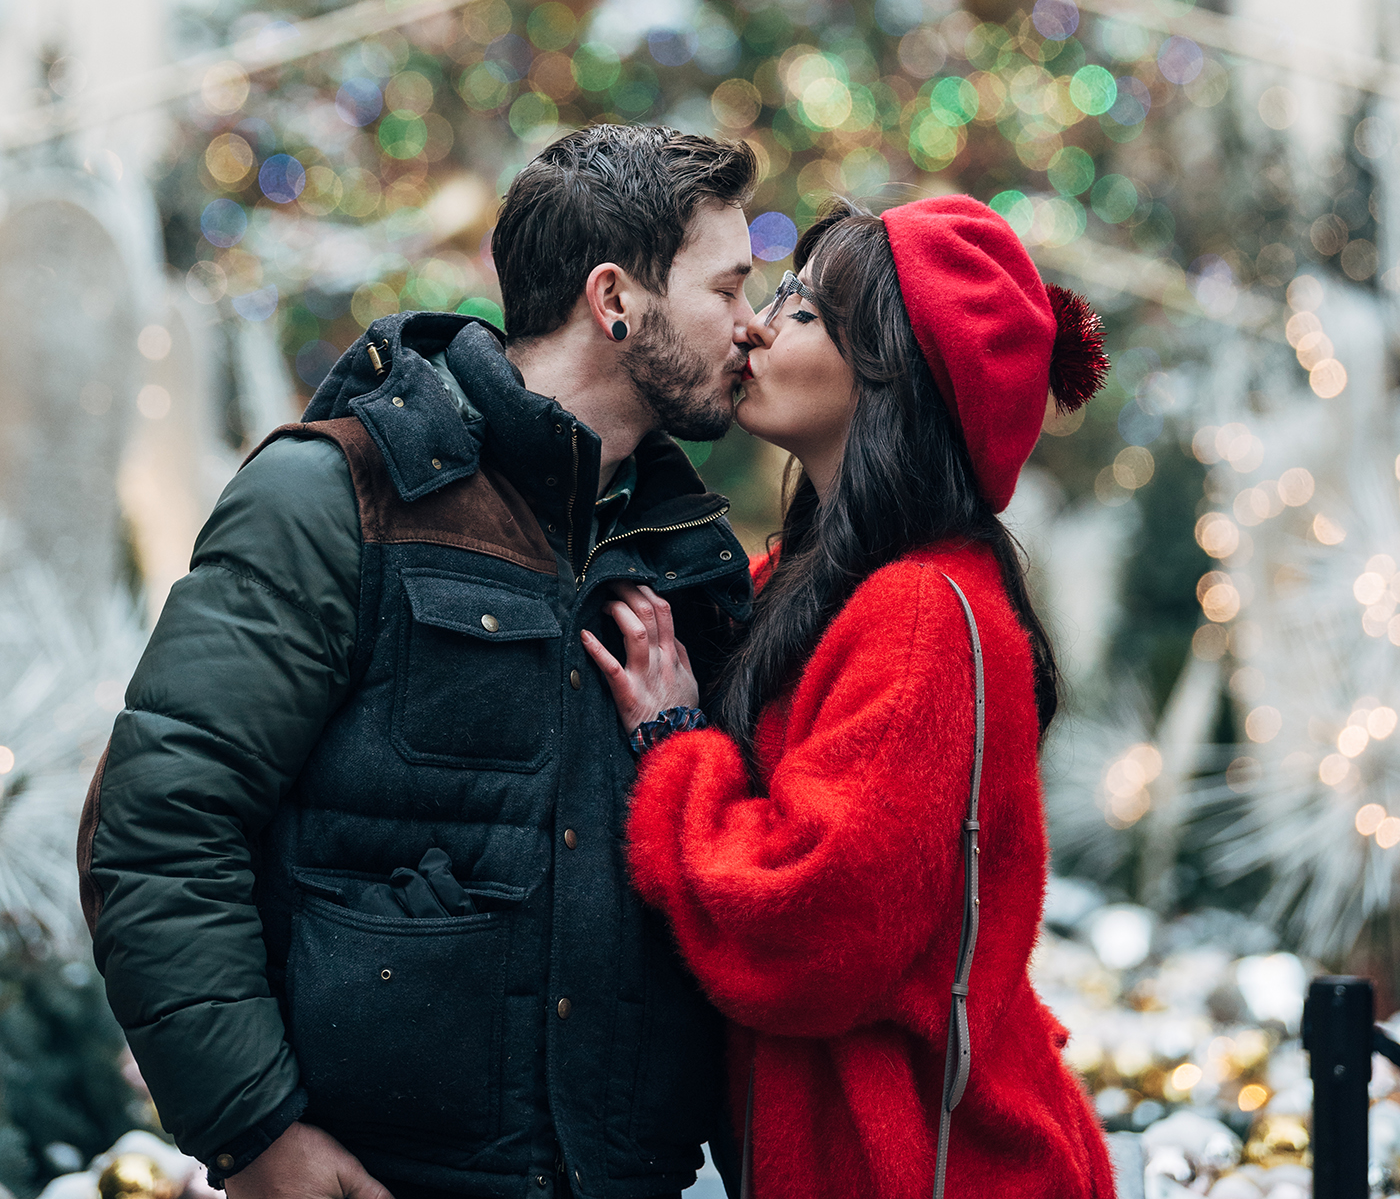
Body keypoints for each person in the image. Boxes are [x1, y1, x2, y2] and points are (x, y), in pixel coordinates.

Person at [80, 123, 762, 1199]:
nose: (754, 326)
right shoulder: (334, 497)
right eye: (729, 288)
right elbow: (159, 828)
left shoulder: (692, 561)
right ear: (615, 300)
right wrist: (257, 1134)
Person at [582, 195, 1117, 1199]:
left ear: (892, 376)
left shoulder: (917, 612)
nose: (753, 326)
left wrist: (671, 746)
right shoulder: (822, 580)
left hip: (934, 1167)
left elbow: (807, 925)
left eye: (800, 311)